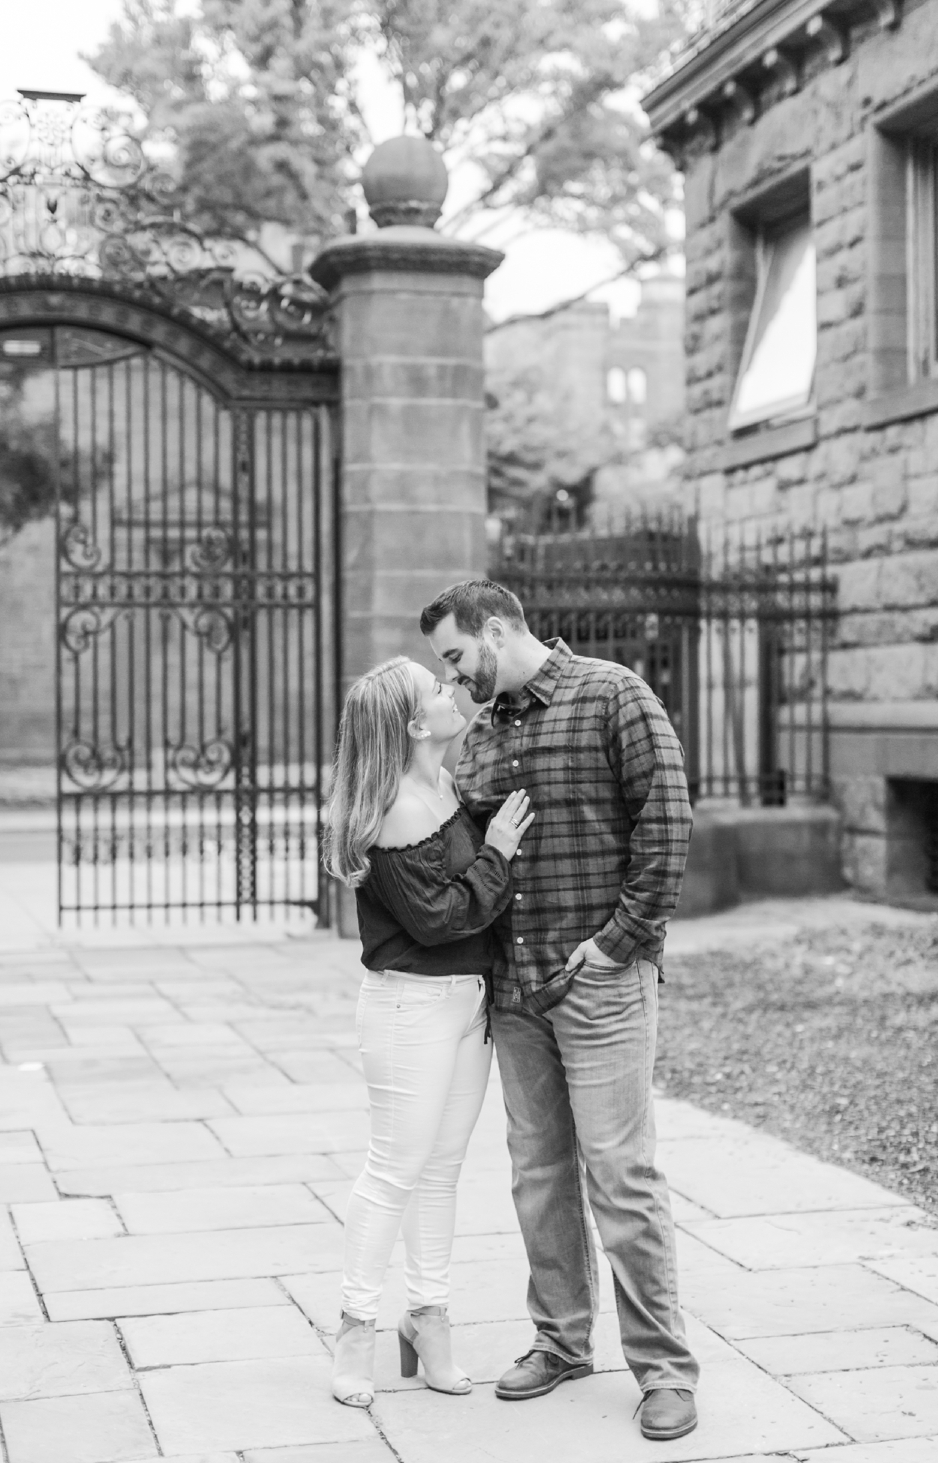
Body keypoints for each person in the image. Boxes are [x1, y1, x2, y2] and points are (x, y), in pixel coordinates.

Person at [419, 579, 700, 1442]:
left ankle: (664, 1370)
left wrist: (621, 940)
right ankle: (562, 1341)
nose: (456, 678)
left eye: (458, 657)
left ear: (497, 630)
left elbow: (669, 818)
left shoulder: (613, 692)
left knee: (621, 1178)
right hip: (513, 988)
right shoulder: (481, 729)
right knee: (538, 1176)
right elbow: (456, 848)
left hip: (601, 982)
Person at [323, 654, 533, 1410]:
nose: (454, 691)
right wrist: (500, 853)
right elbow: (442, 919)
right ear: (415, 725)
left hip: (464, 1002)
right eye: (438, 688)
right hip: (409, 1007)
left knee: (440, 1171)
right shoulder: (396, 811)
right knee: (393, 1172)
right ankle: (355, 1328)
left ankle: (429, 1318)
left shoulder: (441, 783)